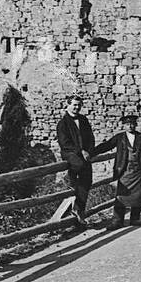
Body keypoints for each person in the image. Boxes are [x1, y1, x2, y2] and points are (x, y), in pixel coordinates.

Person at [106, 113, 141, 229]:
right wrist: (90, 153)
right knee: (121, 196)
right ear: (124, 126)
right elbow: (106, 146)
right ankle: (117, 221)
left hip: (138, 170)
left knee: (138, 195)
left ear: (135, 125)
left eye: (132, 124)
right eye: (127, 124)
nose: (130, 126)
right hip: (124, 171)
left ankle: (135, 219)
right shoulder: (119, 138)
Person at [56, 94, 97, 229]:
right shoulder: (63, 123)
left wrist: (89, 151)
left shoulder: (83, 120)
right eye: (74, 105)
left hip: (84, 154)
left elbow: (90, 138)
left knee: (87, 181)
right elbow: (65, 143)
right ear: (68, 105)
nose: (77, 107)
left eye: (79, 105)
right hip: (70, 153)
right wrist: (81, 151)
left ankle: (79, 209)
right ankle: (71, 183)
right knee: (79, 167)